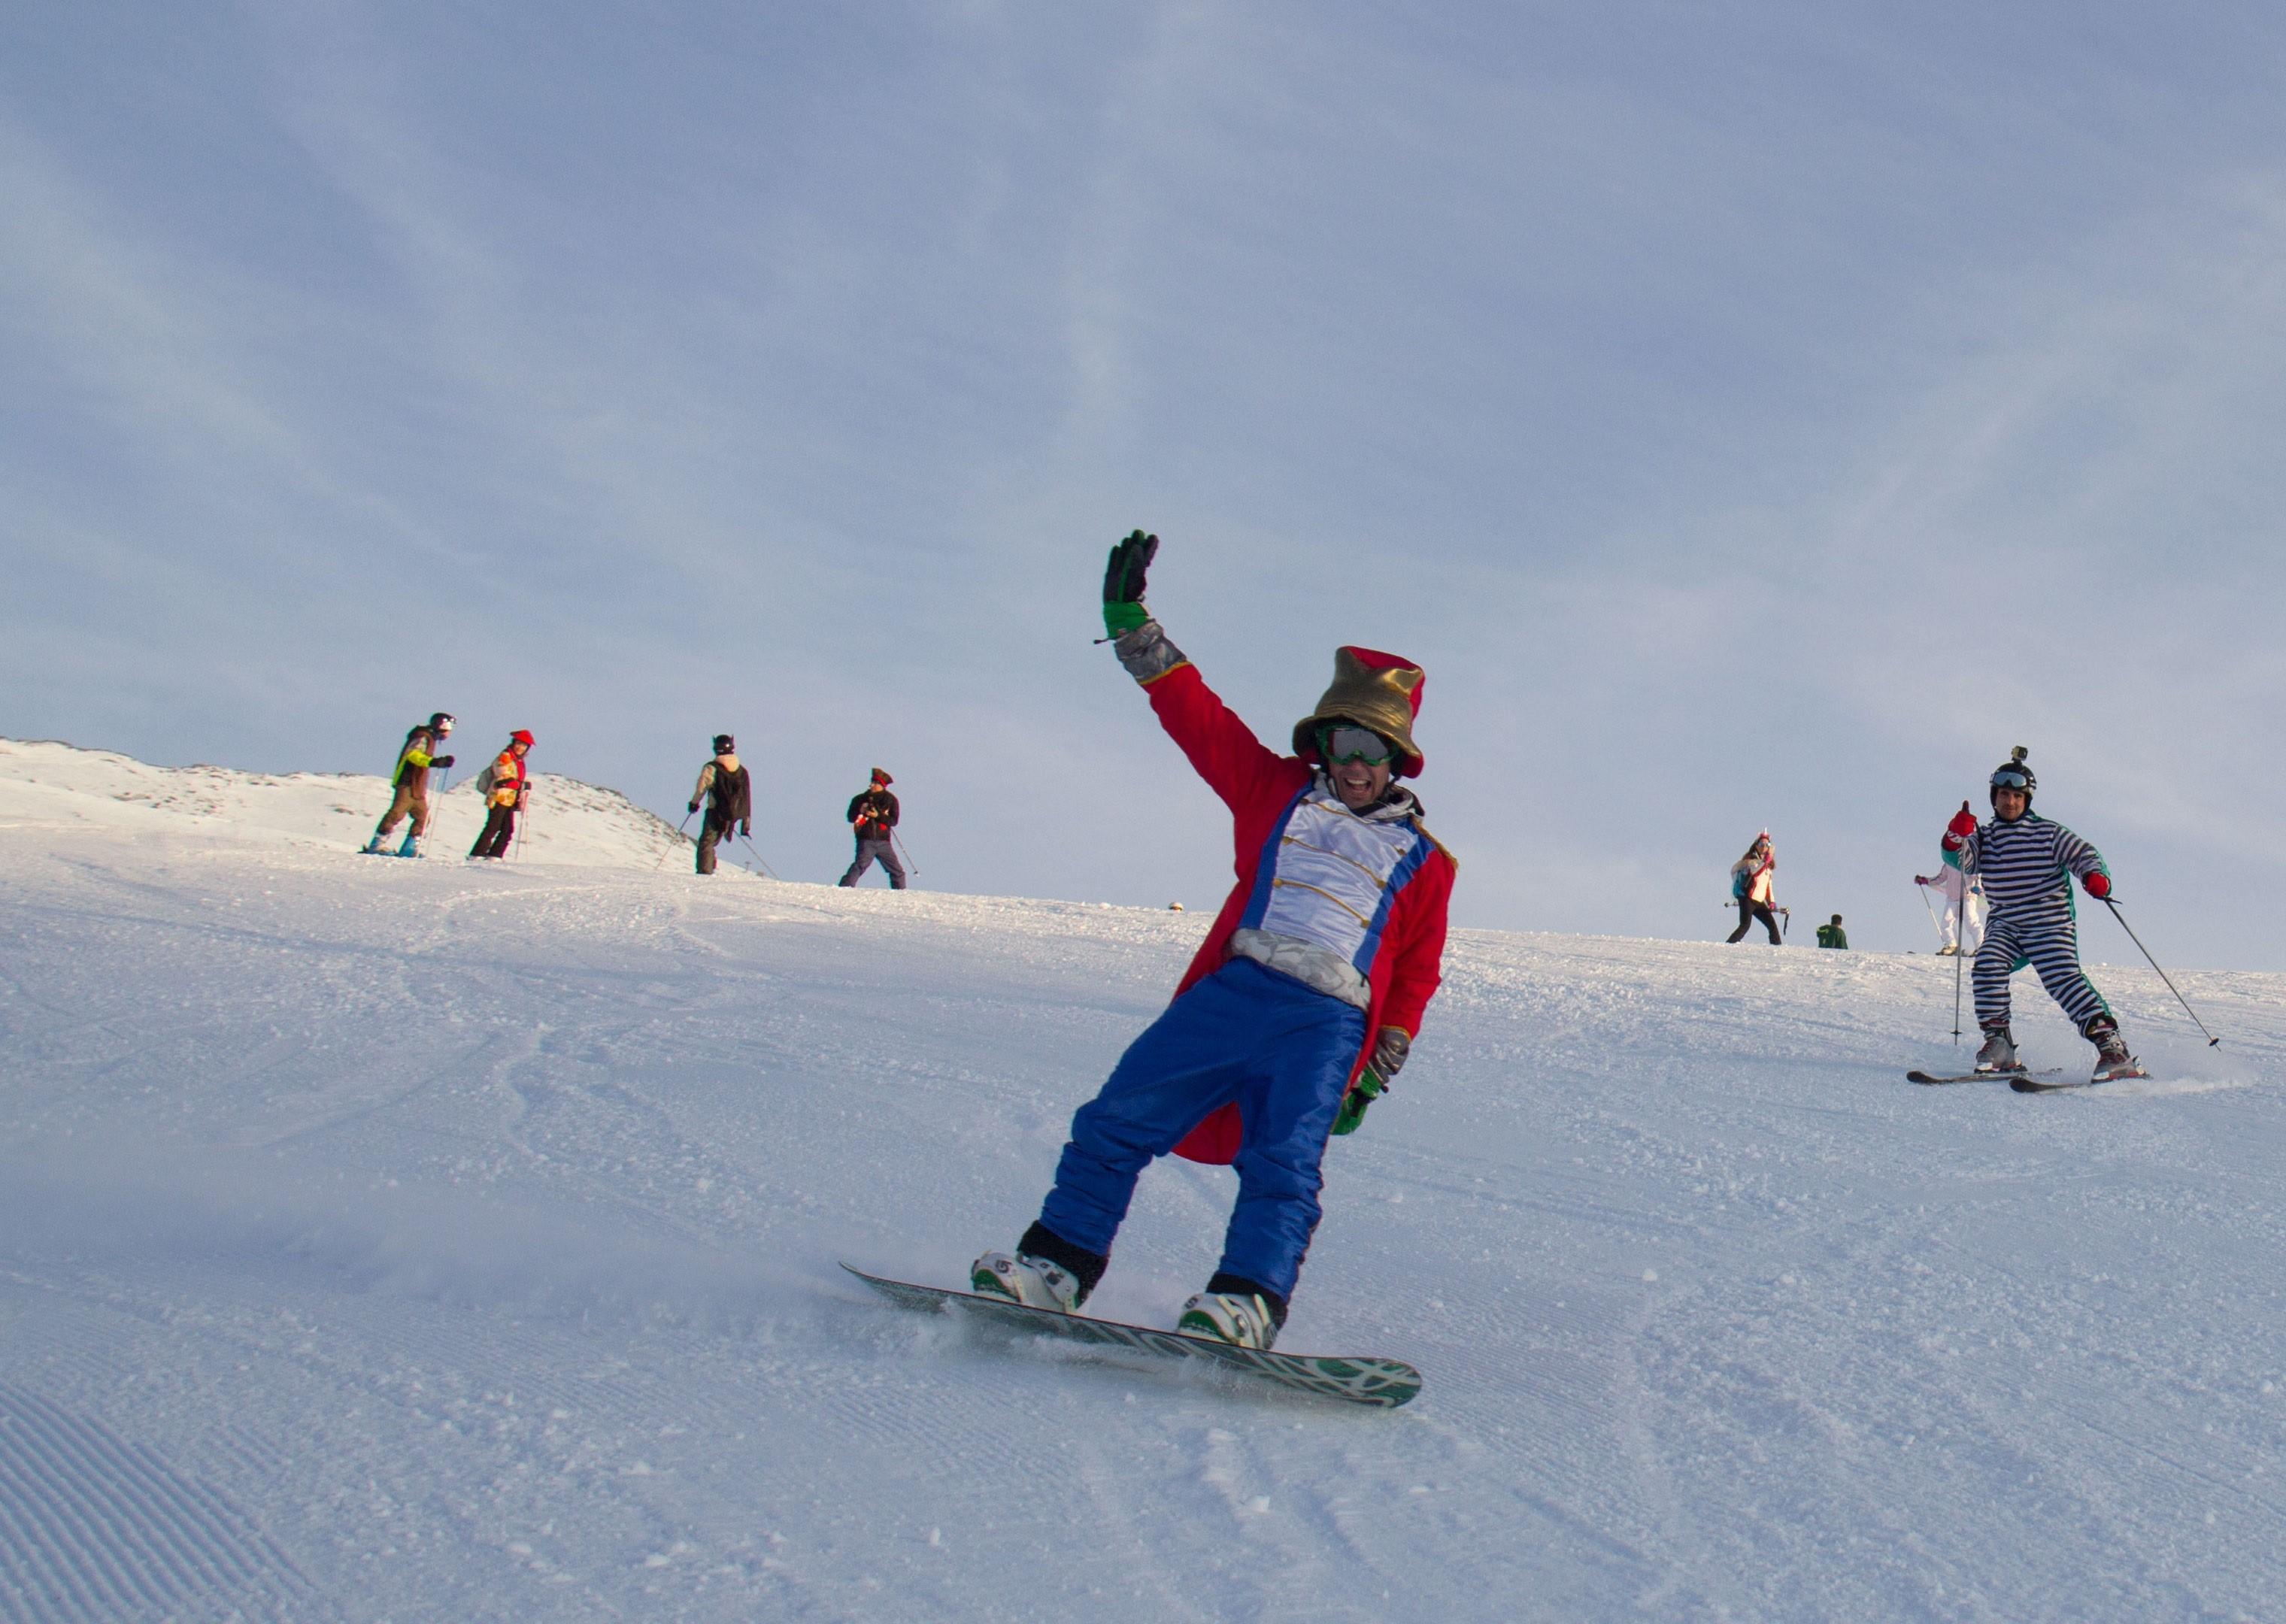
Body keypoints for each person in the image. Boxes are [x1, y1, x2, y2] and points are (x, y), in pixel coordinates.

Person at [970, 532, 1457, 1350]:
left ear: (1398, 758)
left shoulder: (1426, 862)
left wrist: (1374, 1072)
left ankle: (1246, 1301)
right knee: (1116, 1117)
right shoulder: (1272, 792)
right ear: (1323, 742)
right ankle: (1055, 1266)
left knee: (1284, 1163)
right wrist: (1133, 627)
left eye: (1372, 749)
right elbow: (1196, 716)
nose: (1355, 764)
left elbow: (1416, 971)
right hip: (1235, 996)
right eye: (1343, 743)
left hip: (1327, 1024)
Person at [1945, 747, 2137, 1079]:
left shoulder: (2047, 833)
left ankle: (2112, 1047)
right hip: (2006, 924)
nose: (2011, 802)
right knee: (1988, 963)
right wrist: (1956, 835)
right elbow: (1961, 861)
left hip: (2049, 923)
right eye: (2004, 795)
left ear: (2027, 800)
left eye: (2018, 796)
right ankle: (2000, 1044)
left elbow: (2084, 854)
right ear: (1994, 797)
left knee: (2061, 977)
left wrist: (2095, 877)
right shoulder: (1985, 838)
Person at [364, 712, 456, 857]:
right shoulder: (422, 737)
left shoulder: (429, 738)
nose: (450, 733)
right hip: (407, 781)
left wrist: (436, 762)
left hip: (417, 785)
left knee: (423, 817)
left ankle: (410, 849)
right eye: (450, 728)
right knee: (397, 813)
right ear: (443, 726)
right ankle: (377, 845)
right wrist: (433, 762)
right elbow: (413, 754)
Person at [1915, 811, 1985, 954]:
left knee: (1971, 922)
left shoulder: (1970, 860)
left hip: (1968, 896)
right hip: (1953, 897)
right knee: (1946, 922)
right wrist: (1926, 881)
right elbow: (1940, 878)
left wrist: (1978, 888)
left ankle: (1981, 947)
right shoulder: (1949, 862)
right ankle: (1951, 945)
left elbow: (1978, 874)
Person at [688, 735, 752, 875]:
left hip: (715, 811)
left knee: (707, 842)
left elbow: (701, 788)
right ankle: (710, 868)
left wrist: (694, 804)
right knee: (713, 842)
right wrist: (745, 820)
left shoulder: (712, 768)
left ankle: (705, 872)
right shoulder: (742, 771)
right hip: (733, 815)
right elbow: (746, 795)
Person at [469, 731, 534, 859]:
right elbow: (503, 777)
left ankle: (494, 855)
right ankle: (478, 854)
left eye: (524, 745)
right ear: (514, 743)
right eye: (519, 744)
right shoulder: (505, 757)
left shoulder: (518, 761)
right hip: (499, 797)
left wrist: (520, 786)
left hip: (509, 799)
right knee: (493, 826)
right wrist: (521, 785)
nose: (520, 747)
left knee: (507, 829)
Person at [838, 769, 905, 889]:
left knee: (897, 871)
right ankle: (844, 888)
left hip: (884, 842)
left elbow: (893, 821)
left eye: (874, 783)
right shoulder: (859, 799)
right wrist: (861, 811)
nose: (871, 785)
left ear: (881, 785)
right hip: (866, 839)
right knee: (860, 865)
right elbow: (850, 817)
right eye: (872, 782)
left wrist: (878, 815)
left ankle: (901, 894)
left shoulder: (891, 800)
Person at [1726, 832, 1782, 944]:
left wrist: (1771, 901)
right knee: (1745, 925)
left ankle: (1777, 951)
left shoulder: (1768, 868)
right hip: (1748, 898)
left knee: (1772, 926)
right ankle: (1729, 945)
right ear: (1756, 846)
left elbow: (1768, 886)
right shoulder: (1751, 861)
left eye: (1767, 845)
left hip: (1759, 901)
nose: (1764, 847)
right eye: (1762, 844)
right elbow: (1755, 873)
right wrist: (1765, 861)